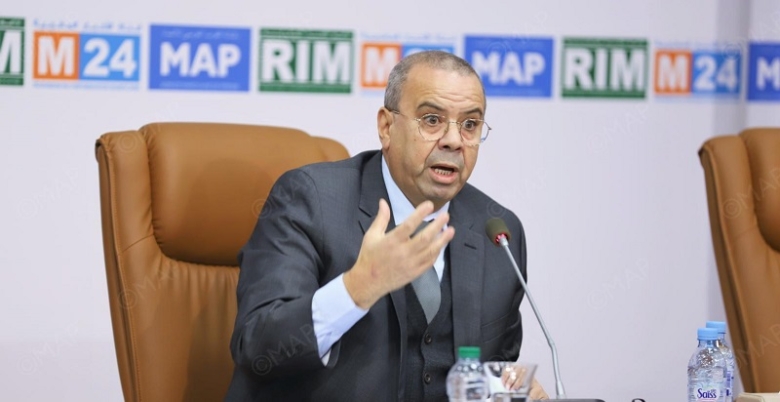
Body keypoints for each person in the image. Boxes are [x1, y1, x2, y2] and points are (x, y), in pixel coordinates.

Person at [225, 50, 548, 401]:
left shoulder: (497, 232)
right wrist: (357, 288)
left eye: (470, 125)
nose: (454, 141)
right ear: (386, 127)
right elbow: (258, 347)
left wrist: (509, 390)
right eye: (432, 120)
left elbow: (495, 369)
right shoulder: (309, 200)